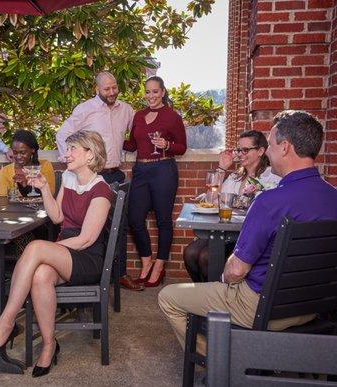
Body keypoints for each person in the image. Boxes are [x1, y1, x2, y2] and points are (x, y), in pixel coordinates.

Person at [159, 110, 337, 354]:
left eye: (271, 144)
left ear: (285, 147)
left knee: (169, 297)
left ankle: (221, 363)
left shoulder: (269, 202)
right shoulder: (333, 198)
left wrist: (223, 281)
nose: (269, 151)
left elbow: (236, 271)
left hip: (263, 306)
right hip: (313, 306)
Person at [0, 131, 113, 378]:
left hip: (87, 258)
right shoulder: (70, 178)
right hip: (66, 251)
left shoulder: (101, 190)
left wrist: (51, 250)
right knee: (40, 275)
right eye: (67, 148)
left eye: (73, 149)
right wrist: (44, 189)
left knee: (35, 247)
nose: (66, 153)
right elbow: (57, 217)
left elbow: (86, 239)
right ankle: (50, 344)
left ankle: (5, 324)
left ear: (90, 154)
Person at [55, 71, 137, 290]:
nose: (112, 92)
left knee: (117, 227)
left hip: (115, 174)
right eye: (106, 89)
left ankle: (118, 275)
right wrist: (71, 163)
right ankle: (87, 273)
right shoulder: (85, 109)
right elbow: (62, 134)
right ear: (96, 89)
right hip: (92, 174)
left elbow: (137, 136)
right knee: (90, 228)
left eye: (114, 87)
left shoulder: (126, 110)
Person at [183, 130, 280, 282]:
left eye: (245, 150)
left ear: (261, 151)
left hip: (247, 238)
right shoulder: (236, 176)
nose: (240, 154)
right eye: (238, 150)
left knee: (205, 257)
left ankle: (216, 297)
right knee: (190, 252)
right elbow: (212, 199)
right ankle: (204, 294)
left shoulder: (270, 177)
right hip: (226, 232)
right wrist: (222, 168)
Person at [123, 76, 187, 289]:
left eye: (155, 91)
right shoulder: (138, 116)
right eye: (147, 92)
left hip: (163, 169)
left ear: (163, 92)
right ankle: (146, 261)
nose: (151, 96)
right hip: (141, 170)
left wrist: (167, 144)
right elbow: (131, 145)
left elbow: (182, 147)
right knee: (134, 219)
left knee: (163, 221)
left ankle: (158, 267)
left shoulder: (172, 117)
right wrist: (108, 137)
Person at [0, 129, 55, 197]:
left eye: (23, 152)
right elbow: (3, 197)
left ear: (32, 149)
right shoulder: (5, 171)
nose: (18, 157)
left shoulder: (45, 165)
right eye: (15, 152)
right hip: (15, 208)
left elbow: (50, 193)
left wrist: (27, 184)